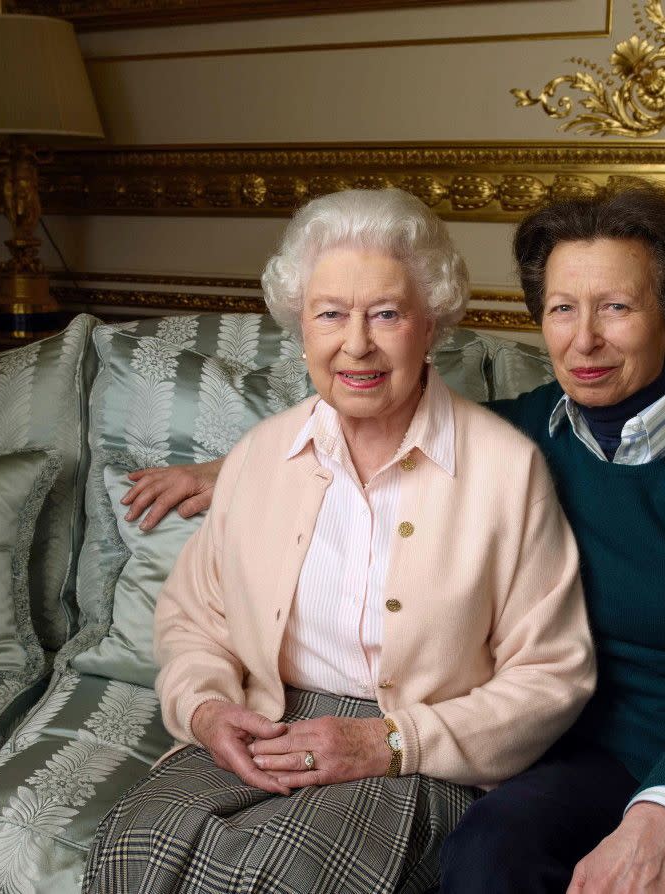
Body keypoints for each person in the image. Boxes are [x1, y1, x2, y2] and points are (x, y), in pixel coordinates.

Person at [118, 186, 665, 893]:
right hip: (590, 758)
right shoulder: (526, 428)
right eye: (562, 308)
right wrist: (237, 468)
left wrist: (661, 818)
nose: (584, 337)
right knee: (486, 859)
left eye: (616, 307)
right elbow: (384, 416)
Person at [84, 188, 596, 894]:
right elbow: (193, 620)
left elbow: (552, 675)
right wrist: (205, 709)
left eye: (386, 314)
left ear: (431, 326)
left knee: (287, 878)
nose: (356, 344)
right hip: (268, 715)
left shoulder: (506, 471)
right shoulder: (262, 455)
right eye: (330, 314)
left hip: (418, 749)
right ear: (302, 328)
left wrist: (391, 741)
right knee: (134, 850)